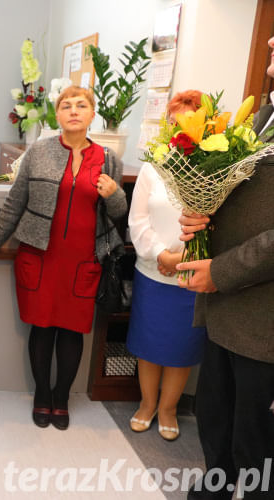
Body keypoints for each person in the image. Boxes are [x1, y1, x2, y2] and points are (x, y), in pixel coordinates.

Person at [0, 86, 126, 431]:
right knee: (42, 328)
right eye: (66, 106)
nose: (73, 111)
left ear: (92, 115)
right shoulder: (39, 152)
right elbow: (15, 202)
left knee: (73, 331)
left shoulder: (108, 160)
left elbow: (117, 213)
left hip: (84, 261)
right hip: (39, 256)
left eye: (81, 105)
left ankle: (61, 398)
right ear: (57, 116)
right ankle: (42, 395)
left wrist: (116, 194)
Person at [179, 38, 274, 499]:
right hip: (224, 309)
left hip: (262, 315)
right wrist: (198, 215)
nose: (272, 41)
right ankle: (216, 486)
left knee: (256, 443)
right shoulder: (259, 116)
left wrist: (223, 270)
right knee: (216, 416)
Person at [125, 90, 207, 442]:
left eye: (189, 121)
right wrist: (161, 254)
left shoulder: (213, 170)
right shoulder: (153, 167)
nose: (180, 129)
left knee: (180, 349)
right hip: (153, 271)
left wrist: (185, 259)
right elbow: (137, 219)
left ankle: (169, 409)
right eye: (175, 122)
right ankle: (146, 404)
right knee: (150, 344)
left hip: (193, 276)